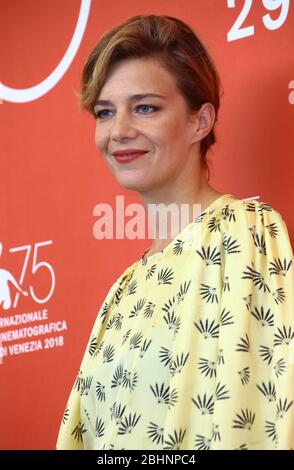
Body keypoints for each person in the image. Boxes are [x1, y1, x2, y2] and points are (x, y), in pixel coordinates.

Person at [56, 14, 294, 450]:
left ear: (200, 122)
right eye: (105, 112)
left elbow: (257, 416)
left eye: (145, 107)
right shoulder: (124, 290)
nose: (119, 131)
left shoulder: (246, 234)